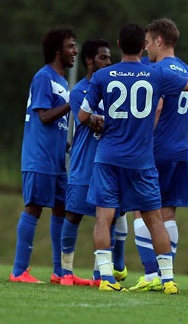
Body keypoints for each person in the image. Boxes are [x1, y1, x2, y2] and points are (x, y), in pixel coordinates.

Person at [77, 23, 188, 293]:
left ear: (119, 45)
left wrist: (97, 121)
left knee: (104, 217)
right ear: (143, 46)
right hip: (142, 159)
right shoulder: (155, 75)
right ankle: (168, 280)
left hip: (108, 156)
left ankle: (107, 278)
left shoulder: (102, 76)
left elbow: (83, 116)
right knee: (155, 218)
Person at [128, 18, 188, 292]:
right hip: (180, 151)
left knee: (141, 212)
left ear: (158, 41)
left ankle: (151, 274)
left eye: (147, 43)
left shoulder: (156, 70)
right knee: (168, 215)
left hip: (156, 150)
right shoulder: (187, 69)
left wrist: (140, 142)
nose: (145, 49)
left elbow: (155, 109)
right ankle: (165, 273)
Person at [10, 27, 78, 284]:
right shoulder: (43, 78)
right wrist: (73, 103)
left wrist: (71, 144)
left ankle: (59, 271)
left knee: (61, 208)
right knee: (34, 207)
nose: (75, 51)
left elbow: (59, 126)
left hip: (57, 160)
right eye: (71, 46)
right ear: (57, 50)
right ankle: (19, 271)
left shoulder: (61, 81)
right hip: (38, 157)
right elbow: (44, 116)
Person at [60, 38, 129, 287]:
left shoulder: (113, 88)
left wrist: (104, 119)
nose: (109, 62)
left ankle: (101, 274)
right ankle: (65, 271)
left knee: (108, 218)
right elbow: (89, 120)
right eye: (103, 57)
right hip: (84, 164)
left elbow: (108, 119)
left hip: (109, 166)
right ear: (89, 61)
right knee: (73, 216)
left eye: (110, 57)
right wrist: (101, 119)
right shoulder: (79, 90)